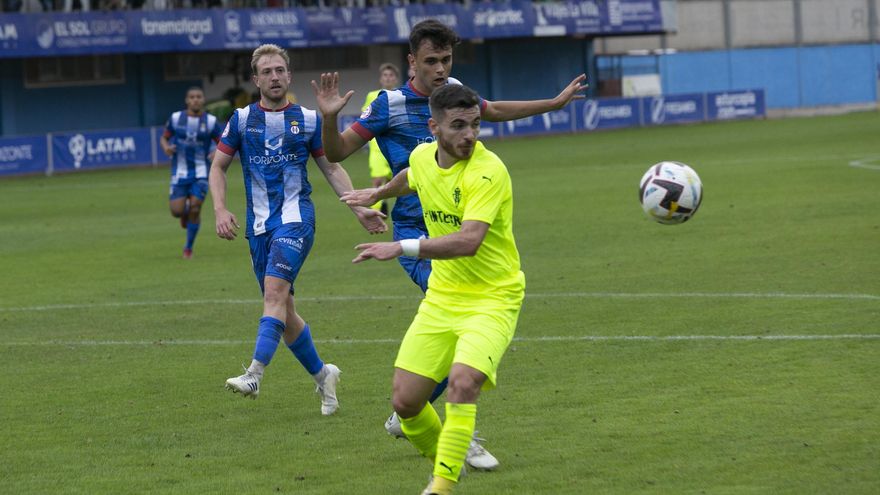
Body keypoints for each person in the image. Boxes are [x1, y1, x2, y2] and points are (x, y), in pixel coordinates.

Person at [313, 18, 586, 469]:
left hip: (462, 229)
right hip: (419, 235)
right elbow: (339, 151)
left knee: (460, 337)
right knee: (458, 332)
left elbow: (494, 109)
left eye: (447, 60)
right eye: (432, 61)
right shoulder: (389, 104)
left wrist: (554, 104)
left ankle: (413, 412)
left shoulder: (454, 94)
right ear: (412, 61)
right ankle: (457, 429)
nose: (441, 69)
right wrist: (328, 118)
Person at [340, 84, 524, 495]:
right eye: (458, 126)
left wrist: (400, 247)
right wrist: (379, 191)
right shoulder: (424, 155)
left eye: (475, 125)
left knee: (462, 382)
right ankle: (447, 459)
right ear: (434, 127)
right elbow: (413, 175)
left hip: (493, 297)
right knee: (405, 403)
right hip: (443, 297)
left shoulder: (488, 170)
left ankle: (441, 485)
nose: (470, 135)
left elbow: (468, 241)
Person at [208, 44, 387, 415]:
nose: (274, 76)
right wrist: (220, 209)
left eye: (280, 70)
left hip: (296, 220)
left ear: (289, 76)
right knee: (284, 311)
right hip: (258, 227)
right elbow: (218, 167)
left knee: (273, 293)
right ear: (256, 78)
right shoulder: (241, 120)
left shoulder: (307, 120)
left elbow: (332, 168)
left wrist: (359, 208)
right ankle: (324, 376)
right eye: (266, 71)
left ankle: (255, 373)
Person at [160, 86, 223, 259]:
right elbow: (164, 137)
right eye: (192, 97)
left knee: (196, 207)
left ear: (203, 99)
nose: (195, 99)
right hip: (179, 172)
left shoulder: (210, 121)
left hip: (201, 173)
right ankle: (184, 212)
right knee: (176, 211)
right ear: (187, 100)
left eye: (199, 97)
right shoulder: (175, 118)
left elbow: (223, 142)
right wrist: (166, 148)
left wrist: (216, 151)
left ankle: (188, 248)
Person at [362, 62, 400, 215]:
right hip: (377, 147)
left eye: (391, 75)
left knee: (395, 181)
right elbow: (366, 115)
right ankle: (376, 211)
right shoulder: (373, 95)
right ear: (381, 79)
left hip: (395, 144)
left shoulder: (400, 95)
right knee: (378, 179)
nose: (388, 78)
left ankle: (385, 202)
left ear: (396, 79)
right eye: (385, 75)